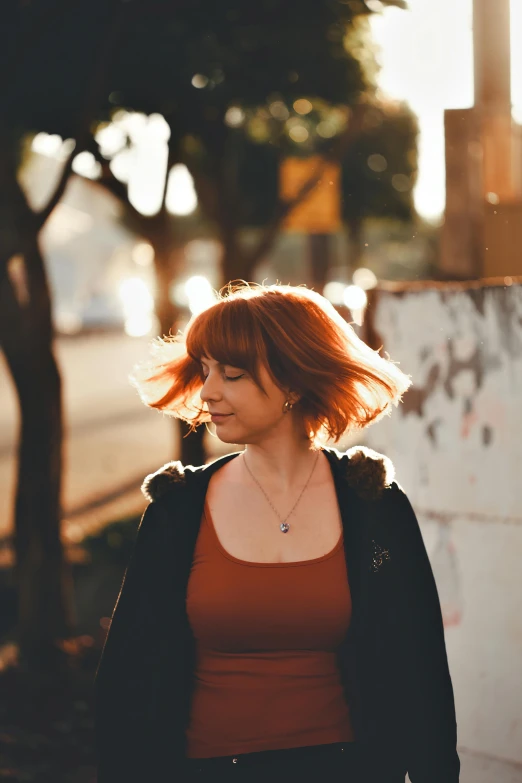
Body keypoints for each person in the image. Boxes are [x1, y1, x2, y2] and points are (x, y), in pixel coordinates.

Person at [94, 282, 460, 783]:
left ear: (293, 383)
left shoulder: (373, 505)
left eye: (233, 374)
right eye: (205, 372)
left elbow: (417, 667)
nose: (207, 392)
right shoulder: (178, 510)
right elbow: (128, 678)